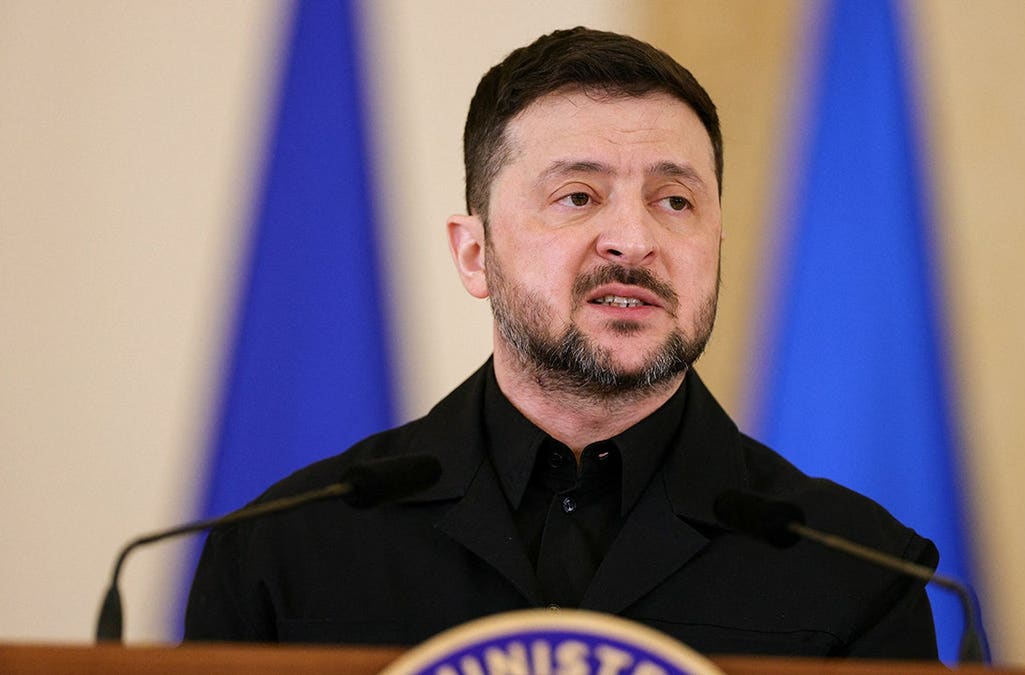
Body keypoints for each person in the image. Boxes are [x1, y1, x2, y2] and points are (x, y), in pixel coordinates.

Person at [185, 26, 939, 659]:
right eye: (577, 195)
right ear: (474, 254)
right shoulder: (284, 554)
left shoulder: (855, 570)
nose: (633, 240)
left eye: (674, 200)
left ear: (718, 243)